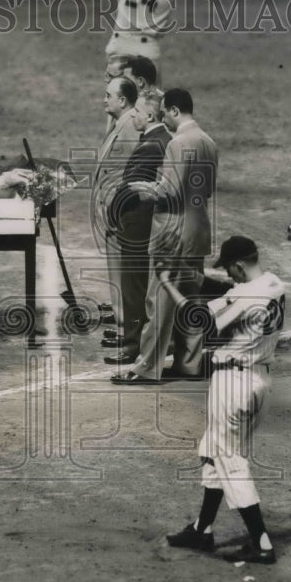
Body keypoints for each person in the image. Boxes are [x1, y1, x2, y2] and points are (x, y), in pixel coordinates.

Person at [161, 235, 285, 564]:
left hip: (233, 384)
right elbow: (225, 291)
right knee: (212, 449)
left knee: (230, 459)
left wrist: (167, 284)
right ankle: (202, 529)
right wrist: (193, 272)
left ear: (240, 265)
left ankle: (262, 542)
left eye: (230, 270)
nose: (229, 276)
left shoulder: (243, 294)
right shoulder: (274, 284)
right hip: (259, 380)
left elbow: (195, 317)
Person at [112, 87, 217, 383]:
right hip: (198, 229)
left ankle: (146, 368)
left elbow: (168, 192)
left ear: (173, 110)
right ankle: (190, 363)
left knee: (159, 301)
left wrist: (140, 188)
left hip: (172, 230)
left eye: (166, 115)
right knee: (191, 298)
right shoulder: (208, 141)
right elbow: (207, 189)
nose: (165, 121)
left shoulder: (178, 142)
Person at [104, 88, 172, 365]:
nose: (134, 115)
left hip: (136, 224)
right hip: (147, 223)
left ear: (151, 114)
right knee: (142, 286)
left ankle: (132, 347)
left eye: (138, 111)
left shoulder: (152, 144)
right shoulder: (161, 139)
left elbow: (129, 188)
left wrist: (112, 213)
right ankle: (141, 341)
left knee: (133, 286)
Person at [93, 77, 142, 331]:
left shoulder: (130, 127)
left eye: (108, 95)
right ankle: (123, 320)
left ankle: (128, 326)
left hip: (121, 214)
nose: (104, 99)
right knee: (119, 273)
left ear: (122, 100)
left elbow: (128, 173)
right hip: (115, 212)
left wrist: (113, 208)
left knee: (124, 274)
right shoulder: (120, 124)